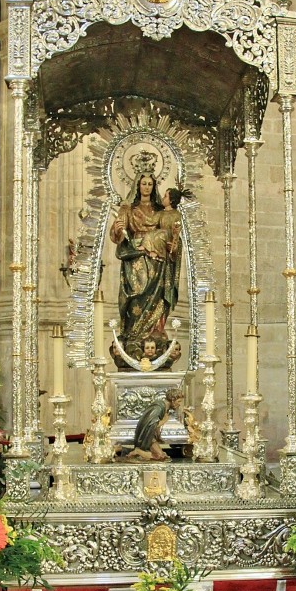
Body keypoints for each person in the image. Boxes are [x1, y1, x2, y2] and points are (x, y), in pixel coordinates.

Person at [109, 176, 185, 363]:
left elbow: (171, 239)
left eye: (150, 184)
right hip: (135, 259)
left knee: (156, 299)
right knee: (137, 294)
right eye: (143, 183)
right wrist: (118, 229)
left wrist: (172, 244)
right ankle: (132, 336)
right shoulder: (128, 209)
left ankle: (155, 334)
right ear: (137, 185)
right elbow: (117, 235)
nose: (146, 187)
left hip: (157, 261)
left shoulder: (161, 211)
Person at [126, 387, 184, 462]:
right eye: (179, 401)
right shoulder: (158, 408)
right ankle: (138, 452)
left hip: (151, 436)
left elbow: (155, 426)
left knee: (163, 456)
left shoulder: (164, 408)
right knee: (160, 457)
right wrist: (164, 420)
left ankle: (138, 452)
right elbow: (150, 425)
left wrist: (158, 436)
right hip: (146, 437)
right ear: (173, 400)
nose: (179, 404)